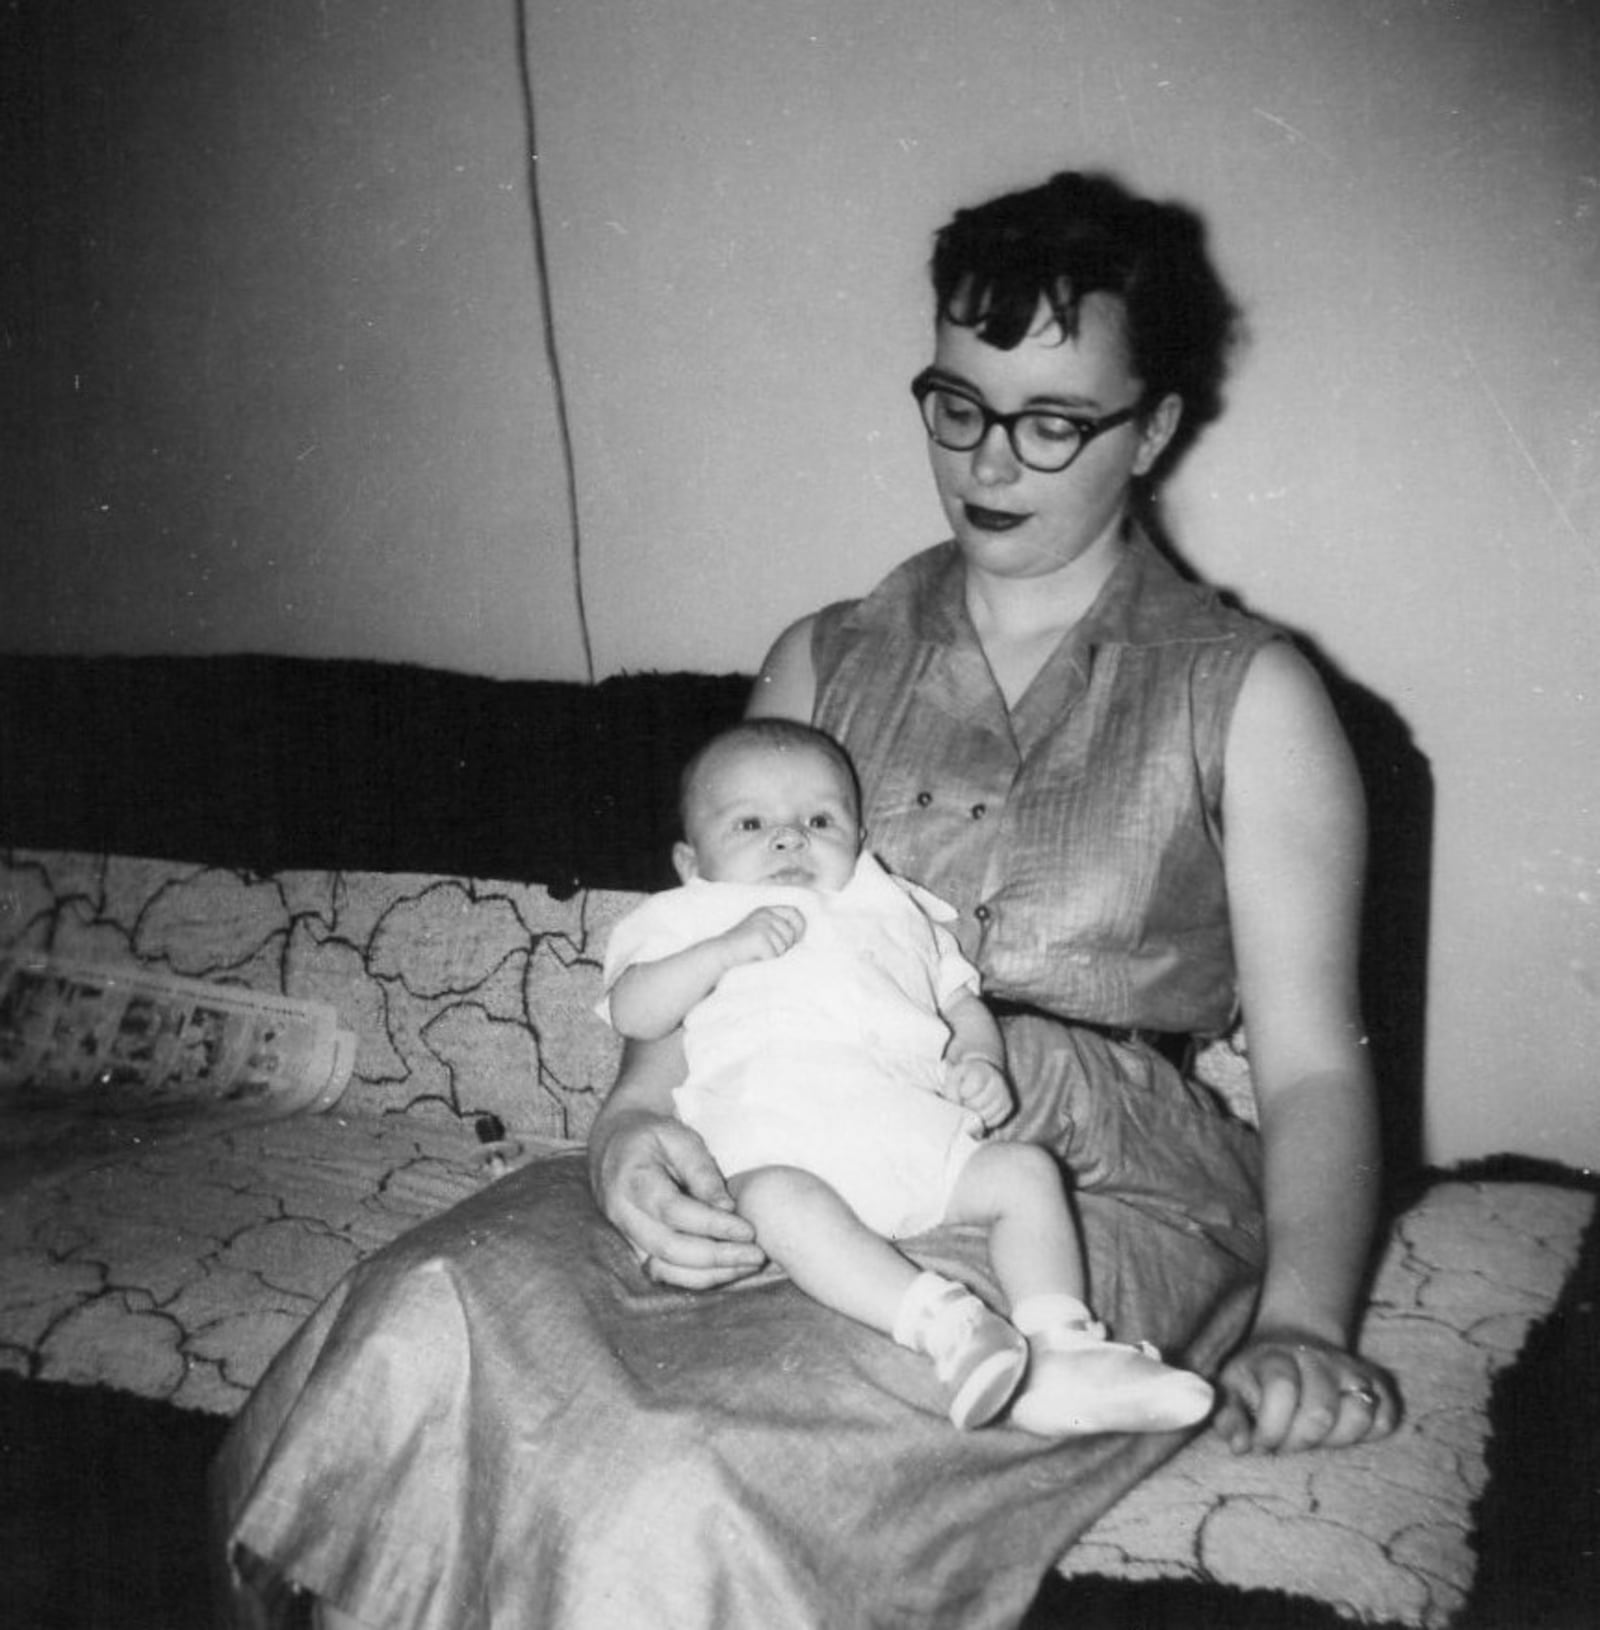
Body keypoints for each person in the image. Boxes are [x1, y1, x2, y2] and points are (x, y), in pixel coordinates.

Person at [212, 169, 1400, 1630]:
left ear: (1152, 428)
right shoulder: (822, 658)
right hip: (782, 1111)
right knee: (421, 1317)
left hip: (1083, 1175)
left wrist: (1302, 1321)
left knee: (675, 1472)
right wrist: (632, 1125)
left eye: (1051, 420)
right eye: (957, 402)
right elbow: (709, 960)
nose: (989, 459)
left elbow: (1309, 1063)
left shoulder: (1249, 691)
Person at [599, 716, 1214, 1434]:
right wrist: (720, 952)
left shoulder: (894, 907)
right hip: (777, 1147)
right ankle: (946, 1326)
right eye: (751, 824)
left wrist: (978, 1060)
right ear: (688, 859)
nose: (790, 838)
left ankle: (1062, 1349)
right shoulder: (689, 915)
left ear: (860, 843)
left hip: (909, 1135)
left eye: (820, 820)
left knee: (1024, 1171)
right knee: (773, 1201)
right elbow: (635, 1012)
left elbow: (961, 1002)